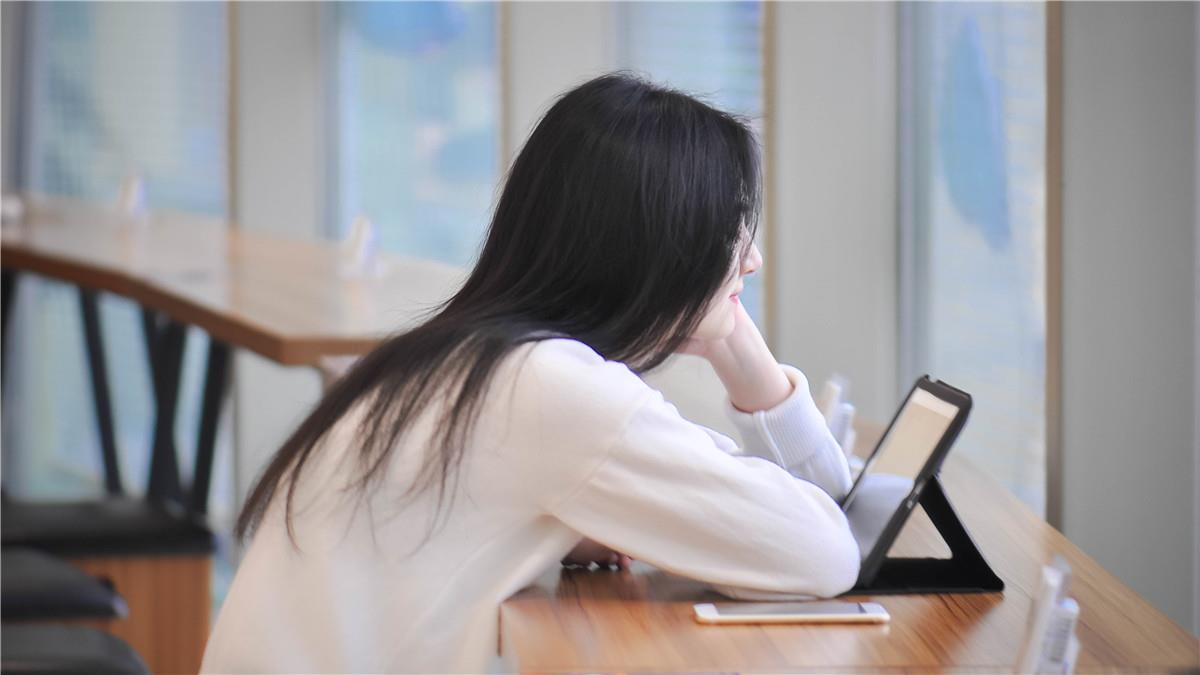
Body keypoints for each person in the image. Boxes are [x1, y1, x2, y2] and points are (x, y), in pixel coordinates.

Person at [202, 72, 859, 674]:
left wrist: (727, 329)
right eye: (729, 228)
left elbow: (826, 512)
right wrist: (736, 343)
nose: (753, 258)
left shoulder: (468, 357)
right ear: (659, 241)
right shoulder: (551, 389)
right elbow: (826, 551)